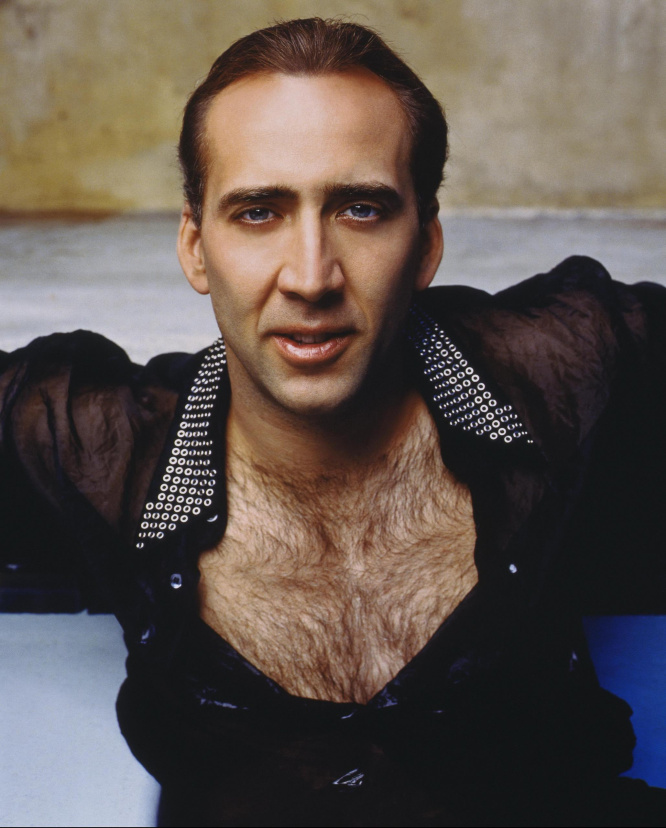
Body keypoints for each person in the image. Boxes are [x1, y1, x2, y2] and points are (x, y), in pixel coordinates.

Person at [1, 17, 665, 827]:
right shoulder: (97, 443)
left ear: (426, 243)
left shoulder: (567, 369)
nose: (311, 277)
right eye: (258, 212)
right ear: (195, 247)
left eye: (361, 209)